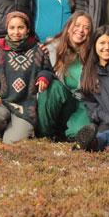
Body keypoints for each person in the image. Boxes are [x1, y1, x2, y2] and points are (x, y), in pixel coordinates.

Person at [0, 12, 52, 144]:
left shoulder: (38, 49)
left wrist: (43, 77)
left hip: (26, 108)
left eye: (21, 27)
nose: (16, 32)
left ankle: (13, 131)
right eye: (12, 28)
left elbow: (47, 70)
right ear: (7, 29)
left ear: (28, 29)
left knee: (11, 143)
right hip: (2, 103)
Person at [36, 11, 94, 140]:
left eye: (86, 28)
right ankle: (44, 135)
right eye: (77, 25)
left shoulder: (93, 53)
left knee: (79, 134)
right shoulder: (51, 48)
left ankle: (64, 134)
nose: (81, 30)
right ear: (68, 28)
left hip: (82, 103)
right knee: (53, 87)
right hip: (60, 100)